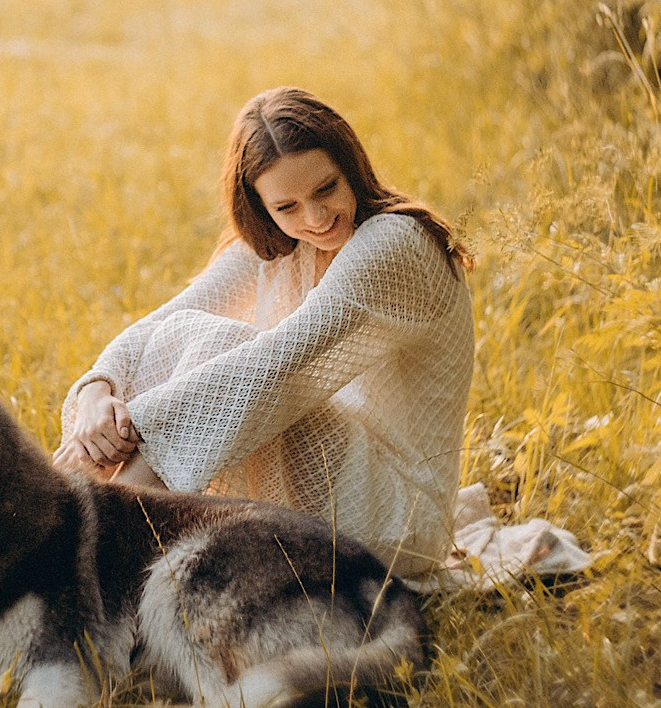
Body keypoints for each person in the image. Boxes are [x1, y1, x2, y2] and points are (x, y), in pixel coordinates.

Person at [53, 86, 476, 579]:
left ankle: (102, 530)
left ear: (351, 166)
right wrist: (95, 392)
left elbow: (276, 364)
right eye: (287, 206)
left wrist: (133, 432)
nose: (315, 218)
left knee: (223, 351)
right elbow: (164, 322)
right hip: (334, 480)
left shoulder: (393, 244)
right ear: (261, 206)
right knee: (185, 332)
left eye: (326, 189)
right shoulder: (280, 246)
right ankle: (106, 527)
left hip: (403, 517)